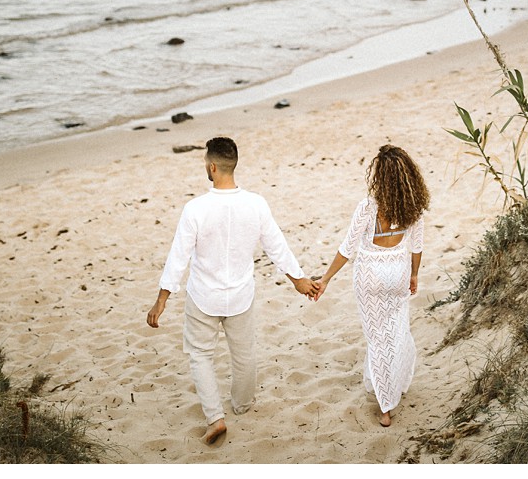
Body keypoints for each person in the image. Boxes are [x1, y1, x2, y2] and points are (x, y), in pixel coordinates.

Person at [146, 136, 317, 445]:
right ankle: (242, 404)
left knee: (200, 354)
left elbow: (179, 256)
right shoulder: (256, 203)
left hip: (203, 297)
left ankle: (215, 417)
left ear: (212, 166)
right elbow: (276, 246)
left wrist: (162, 300)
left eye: (205, 165)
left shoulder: (195, 208)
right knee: (244, 354)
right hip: (240, 295)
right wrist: (298, 279)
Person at [313, 144, 429, 427]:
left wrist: (325, 278)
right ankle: (392, 384)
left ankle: (385, 407)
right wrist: (414, 274)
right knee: (397, 331)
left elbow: (347, 248)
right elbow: (416, 247)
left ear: (380, 176)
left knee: (377, 340)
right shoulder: (413, 207)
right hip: (398, 275)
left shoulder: (369, 207)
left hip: (370, 278)